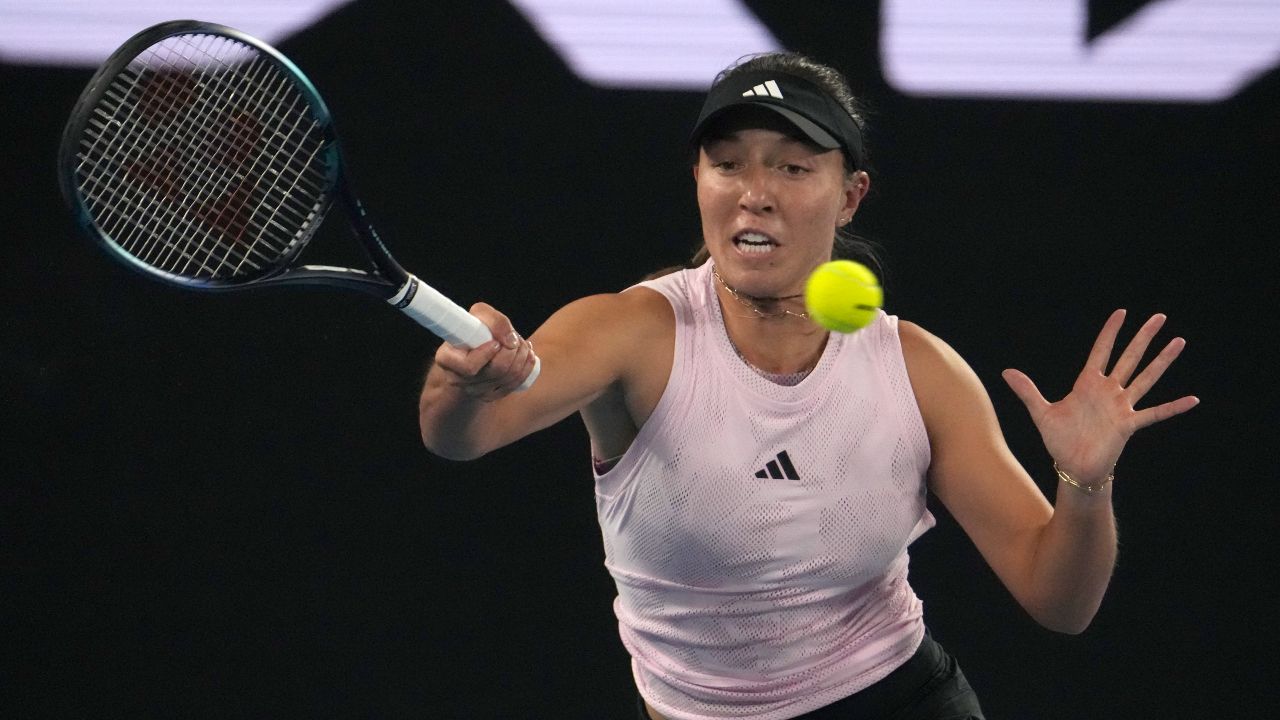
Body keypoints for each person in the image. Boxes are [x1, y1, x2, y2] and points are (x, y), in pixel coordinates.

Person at [417, 52, 1198, 720]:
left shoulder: (920, 372)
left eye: (793, 166)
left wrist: (1085, 484)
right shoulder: (631, 333)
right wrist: (467, 387)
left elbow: (1060, 603)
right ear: (698, 178)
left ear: (850, 194)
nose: (755, 191)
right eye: (728, 163)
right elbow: (462, 437)